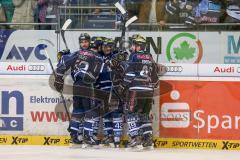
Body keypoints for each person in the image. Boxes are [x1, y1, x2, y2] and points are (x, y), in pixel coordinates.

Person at [54, 33, 103, 147]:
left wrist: (58, 78)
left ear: (89, 42)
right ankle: (87, 136)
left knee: (78, 110)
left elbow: (62, 64)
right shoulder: (95, 55)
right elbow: (98, 71)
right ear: (80, 43)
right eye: (82, 42)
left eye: (85, 41)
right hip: (86, 86)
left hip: (77, 86)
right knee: (90, 110)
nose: (84, 44)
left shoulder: (75, 54)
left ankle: (74, 135)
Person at [122, 35, 159, 150]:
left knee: (130, 113)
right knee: (144, 115)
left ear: (138, 46)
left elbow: (130, 74)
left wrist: (123, 86)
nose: (132, 47)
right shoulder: (150, 57)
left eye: (133, 45)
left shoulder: (134, 56)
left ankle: (135, 138)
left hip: (136, 90)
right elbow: (155, 79)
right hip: (149, 91)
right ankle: (148, 139)